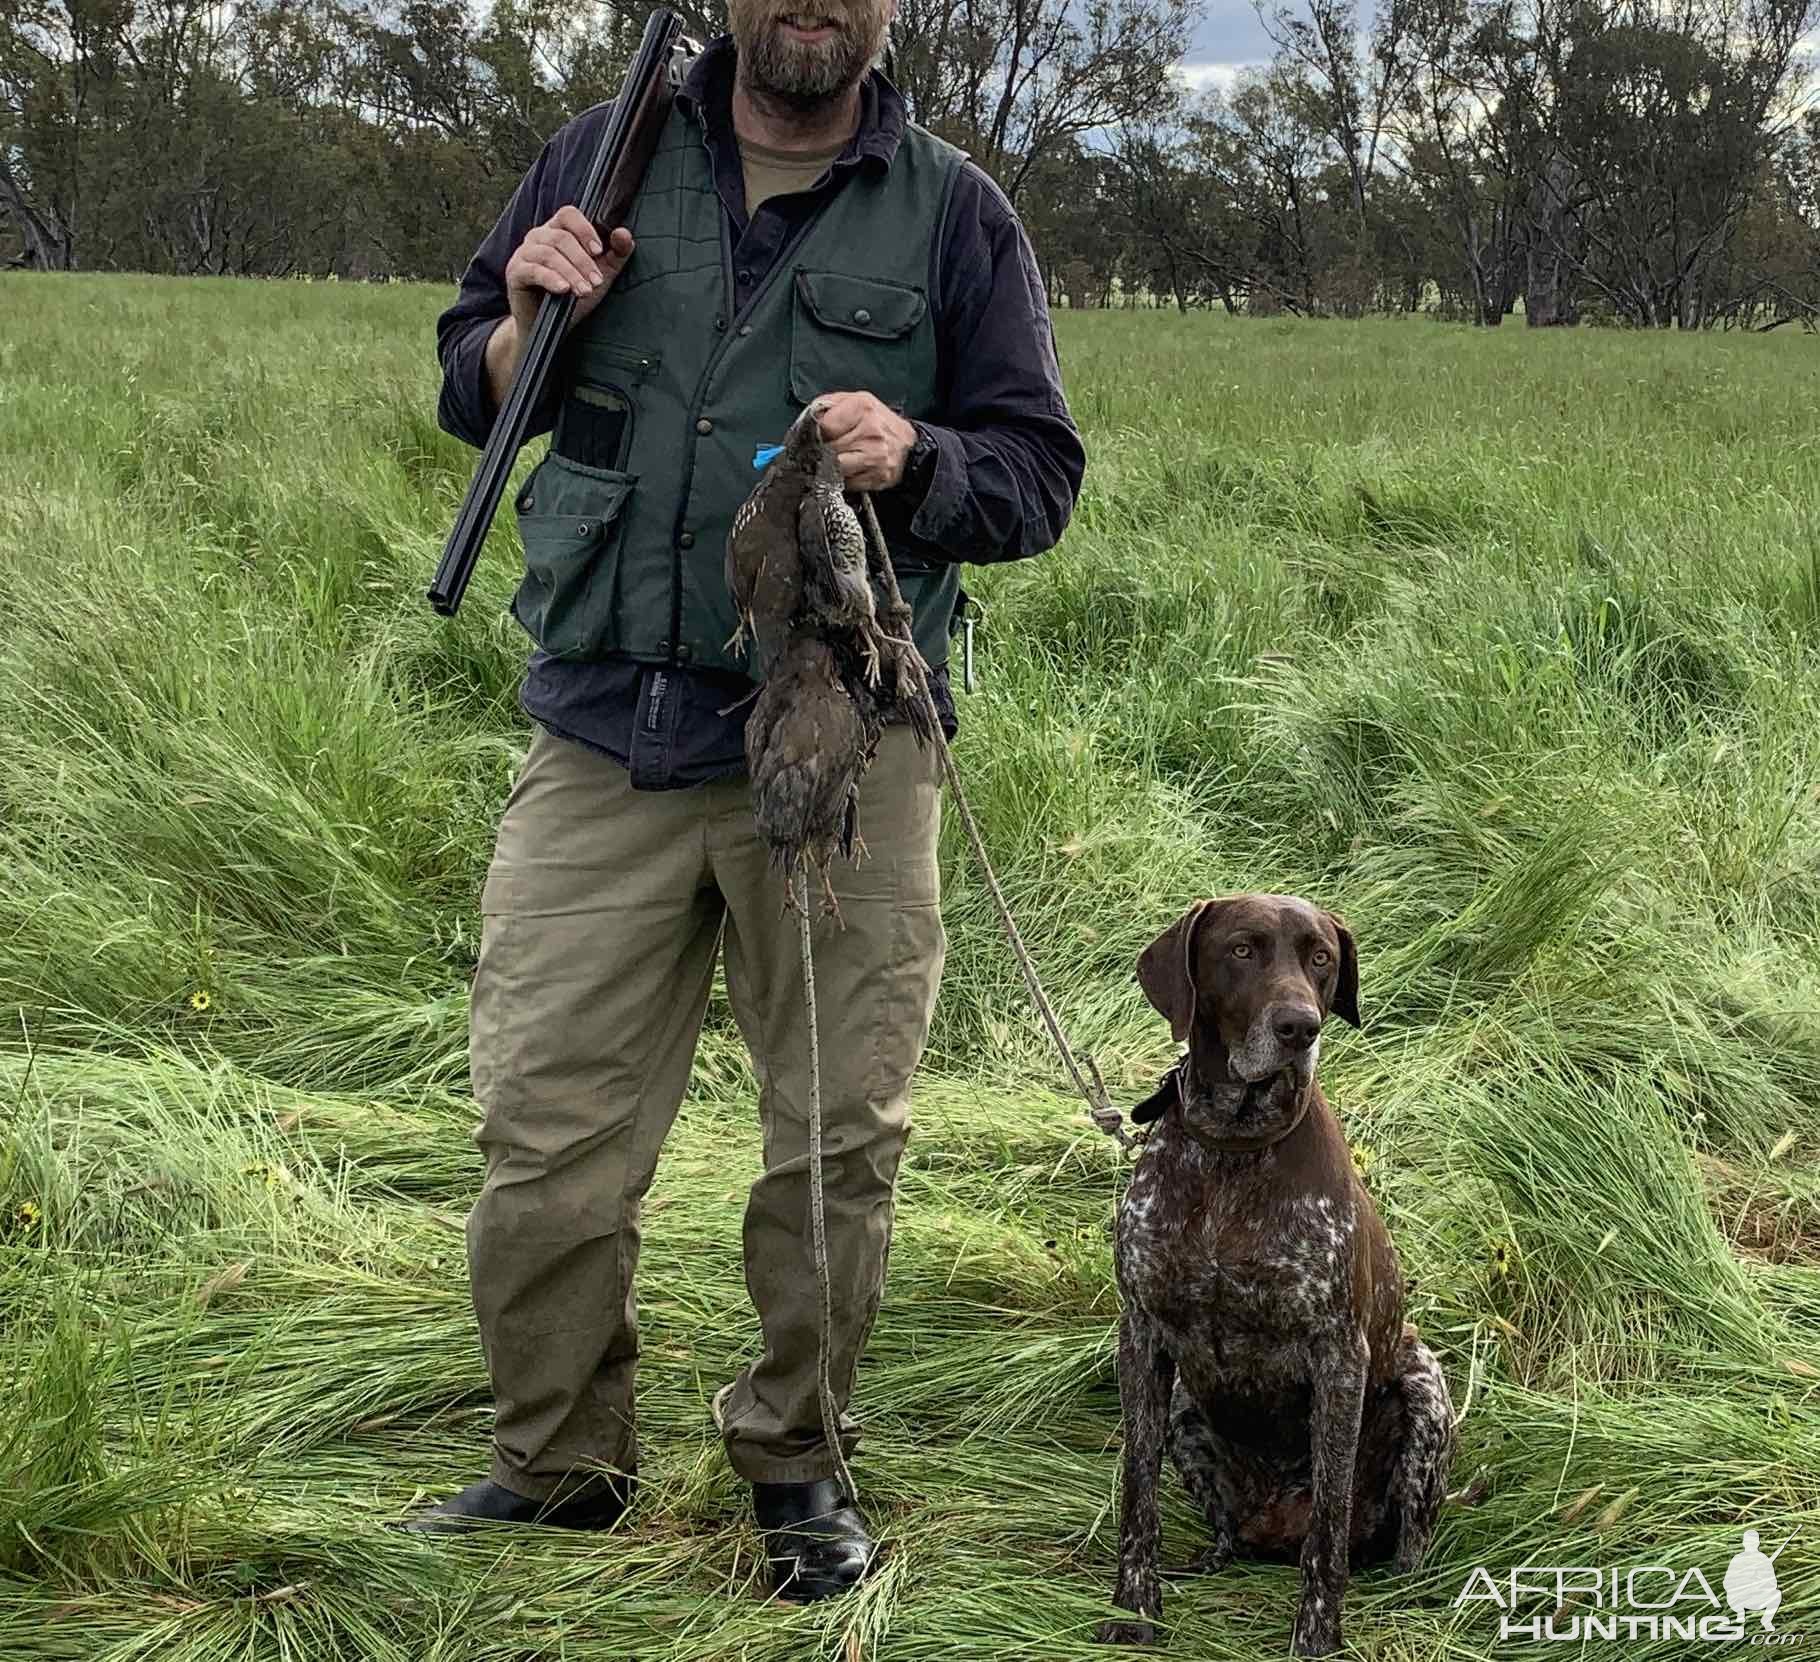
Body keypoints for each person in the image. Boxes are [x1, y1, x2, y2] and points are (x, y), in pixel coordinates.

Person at [412, 0, 1084, 1603]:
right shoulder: (602, 151)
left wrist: (915, 452)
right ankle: (558, 1460)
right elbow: (468, 375)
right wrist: (521, 326)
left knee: (836, 1133)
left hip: (848, 736)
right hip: (603, 734)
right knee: (544, 1131)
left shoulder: (957, 214)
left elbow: (1038, 476)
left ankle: (798, 1457)